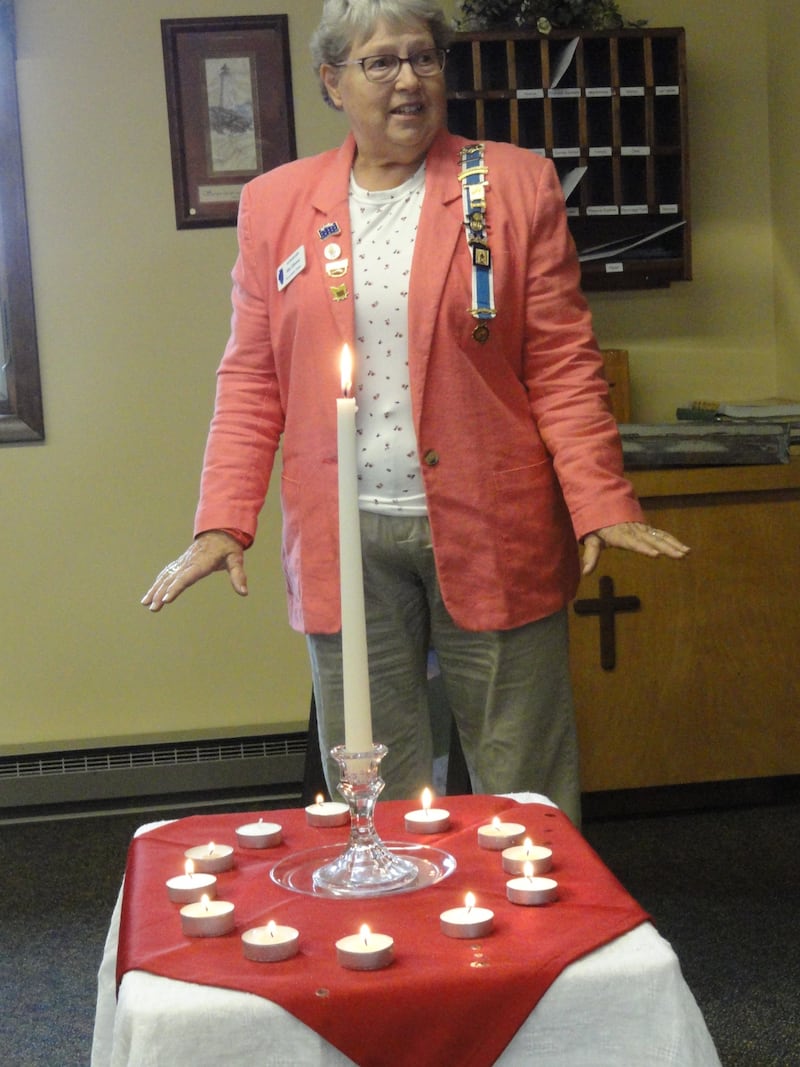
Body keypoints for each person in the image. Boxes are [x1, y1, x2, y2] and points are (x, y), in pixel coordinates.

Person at [142, 0, 689, 825]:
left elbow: (562, 363)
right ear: (332, 81)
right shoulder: (275, 204)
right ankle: (398, 937)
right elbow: (252, 379)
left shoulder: (509, 183)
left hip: (492, 519)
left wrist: (600, 501)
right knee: (373, 776)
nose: (409, 79)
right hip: (343, 534)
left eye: (424, 59)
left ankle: (538, 940)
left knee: (521, 774)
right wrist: (224, 519)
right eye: (381, 63)